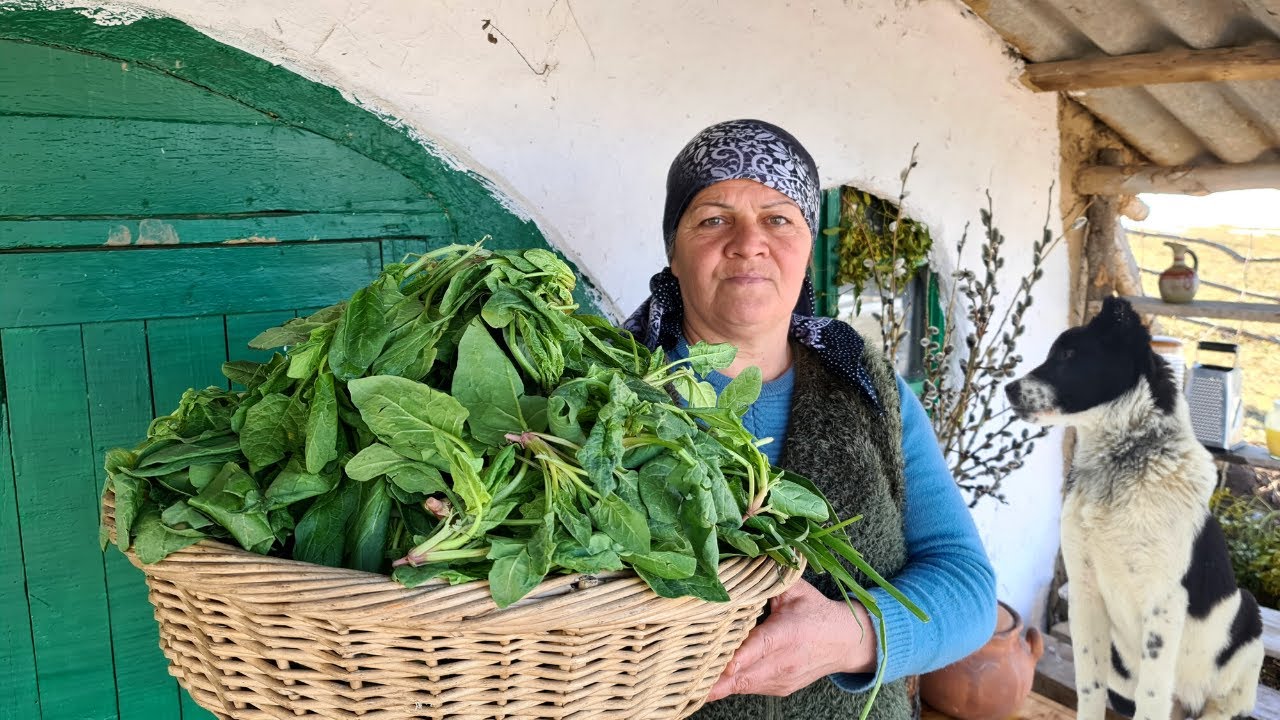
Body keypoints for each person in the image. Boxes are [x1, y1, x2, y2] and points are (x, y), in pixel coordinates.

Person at [624, 119, 997, 720]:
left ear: (806, 246)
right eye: (714, 219)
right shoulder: (607, 393)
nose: (749, 242)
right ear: (674, 248)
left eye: (778, 219)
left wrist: (853, 637)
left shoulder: (870, 389)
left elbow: (968, 587)